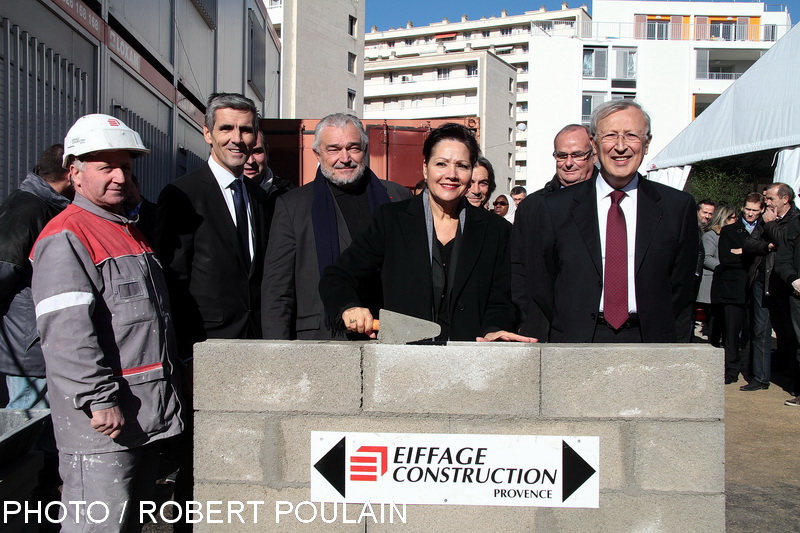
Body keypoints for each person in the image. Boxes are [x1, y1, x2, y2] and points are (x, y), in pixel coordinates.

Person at [30, 114, 184, 531]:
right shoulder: (67, 236)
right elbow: (66, 335)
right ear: (74, 173)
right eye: (105, 167)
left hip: (142, 416)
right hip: (103, 426)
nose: (119, 177)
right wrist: (97, 398)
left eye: (126, 168)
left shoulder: (125, 228)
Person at [319, 123, 535, 343]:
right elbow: (338, 277)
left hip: (471, 360)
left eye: (462, 166)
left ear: (471, 173)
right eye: (441, 164)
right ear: (425, 168)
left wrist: (494, 328)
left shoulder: (496, 230)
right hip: (404, 361)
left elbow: (503, 297)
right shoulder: (391, 221)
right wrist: (350, 307)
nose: (451, 175)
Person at [522, 100, 698, 342]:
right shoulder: (556, 208)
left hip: (650, 342)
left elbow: (681, 287)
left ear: (647, 143)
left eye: (631, 136)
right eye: (611, 136)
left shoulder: (676, 207)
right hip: (576, 342)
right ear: (594, 144)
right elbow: (543, 284)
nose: (621, 147)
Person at [261, 113, 410, 340]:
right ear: (317, 154)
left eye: (353, 148)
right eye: (333, 149)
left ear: (366, 149)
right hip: (322, 339)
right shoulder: (293, 206)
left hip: (389, 335)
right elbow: (277, 291)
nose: (345, 158)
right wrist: (277, 353)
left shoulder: (398, 197)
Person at [156, 93, 270, 353]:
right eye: (226, 128)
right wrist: (185, 353)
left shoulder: (260, 197)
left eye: (246, 130)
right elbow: (173, 279)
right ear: (207, 133)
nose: (237, 139)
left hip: (258, 339)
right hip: (205, 342)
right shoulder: (182, 195)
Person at [1, 144, 73, 410]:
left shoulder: (43, 204)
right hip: (28, 340)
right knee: (27, 419)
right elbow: (5, 268)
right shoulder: (30, 207)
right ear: (70, 173)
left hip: (33, 337)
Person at [512, 123, 598, 340]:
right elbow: (518, 267)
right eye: (561, 156)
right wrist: (527, 316)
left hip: (597, 330)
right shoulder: (532, 207)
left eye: (577, 155)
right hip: (543, 328)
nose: (568, 163)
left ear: (593, 154)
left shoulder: (611, 202)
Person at [717, 197, 763, 384]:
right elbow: (726, 258)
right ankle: (731, 370)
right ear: (742, 208)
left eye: (755, 210)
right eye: (748, 209)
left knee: (754, 332)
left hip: (755, 288)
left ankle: (753, 370)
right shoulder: (728, 230)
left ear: (761, 211)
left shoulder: (764, 230)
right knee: (731, 333)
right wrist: (753, 252)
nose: (751, 214)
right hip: (732, 289)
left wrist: (742, 251)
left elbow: (766, 257)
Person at [698, 205, 737, 347]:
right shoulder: (711, 236)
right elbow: (707, 258)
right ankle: (713, 344)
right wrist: (724, 266)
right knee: (714, 318)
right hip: (712, 282)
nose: (736, 220)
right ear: (724, 219)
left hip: (725, 282)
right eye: (732, 218)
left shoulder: (731, 235)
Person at [244, 129, 294, 203]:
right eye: (244, 151)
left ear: (266, 152)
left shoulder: (290, 195)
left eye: (257, 152)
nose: (250, 161)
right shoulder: (222, 195)